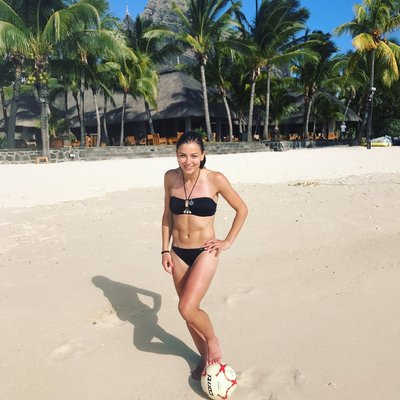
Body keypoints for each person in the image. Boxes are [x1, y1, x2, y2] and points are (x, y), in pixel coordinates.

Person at [161, 131, 248, 380]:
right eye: (182, 155)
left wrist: (227, 241)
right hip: (178, 252)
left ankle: (212, 340)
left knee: (186, 307)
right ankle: (205, 359)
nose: (187, 161)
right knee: (188, 312)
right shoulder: (170, 178)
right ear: (176, 155)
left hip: (205, 251)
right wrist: (165, 249)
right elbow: (167, 216)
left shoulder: (215, 179)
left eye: (193, 156)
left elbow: (242, 209)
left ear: (202, 156)